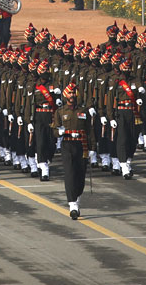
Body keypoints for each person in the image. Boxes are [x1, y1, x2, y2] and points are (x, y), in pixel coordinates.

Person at [56, 82, 92, 219]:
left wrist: (92, 148)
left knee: (80, 175)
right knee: (70, 173)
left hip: (81, 145)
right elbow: (54, 129)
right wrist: (58, 132)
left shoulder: (83, 111)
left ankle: (76, 197)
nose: (72, 95)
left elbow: (90, 131)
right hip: (67, 145)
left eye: (73, 93)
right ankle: (72, 204)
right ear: (65, 95)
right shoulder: (60, 112)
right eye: (69, 93)